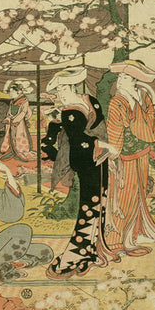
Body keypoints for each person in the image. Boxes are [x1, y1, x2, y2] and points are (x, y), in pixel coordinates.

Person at [40, 67, 117, 280]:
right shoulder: (69, 112)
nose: (60, 95)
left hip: (100, 159)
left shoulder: (91, 101)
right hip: (85, 161)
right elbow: (78, 141)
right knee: (88, 206)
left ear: (72, 86)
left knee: (100, 203)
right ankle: (76, 254)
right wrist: (103, 145)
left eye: (63, 89)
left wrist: (104, 146)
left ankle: (94, 251)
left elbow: (100, 126)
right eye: (58, 91)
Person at [104, 60, 155, 257]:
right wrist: (113, 155)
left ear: (134, 79)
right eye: (120, 76)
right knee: (125, 194)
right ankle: (115, 239)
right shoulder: (117, 101)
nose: (120, 80)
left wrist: (136, 106)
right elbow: (114, 130)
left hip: (142, 152)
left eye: (125, 77)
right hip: (125, 155)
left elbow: (150, 124)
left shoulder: (143, 95)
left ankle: (137, 232)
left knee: (140, 192)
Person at [0, 82, 38, 163]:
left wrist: (16, 120)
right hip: (12, 122)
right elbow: (9, 112)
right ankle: (12, 151)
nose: (10, 94)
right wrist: (8, 118)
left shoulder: (24, 101)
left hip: (19, 123)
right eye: (10, 92)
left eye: (12, 92)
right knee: (11, 137)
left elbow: (23, 112)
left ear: (18, 92)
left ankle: (20, 151)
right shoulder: (12, 101)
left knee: (19, 137)